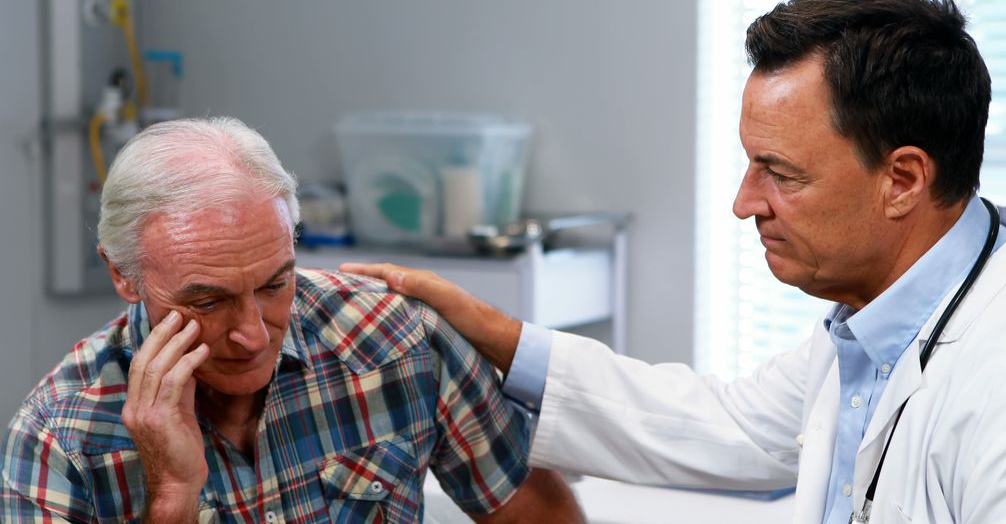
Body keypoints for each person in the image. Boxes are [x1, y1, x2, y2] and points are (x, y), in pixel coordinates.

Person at [342, 0, 1006, 523]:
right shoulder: (871, 326)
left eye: (780, 173)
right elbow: (725, 428)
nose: (743, 202)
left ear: (904, 179)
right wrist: (493, 330)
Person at [0, 118, 582, 523]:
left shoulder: (399, 340)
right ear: (124, 275)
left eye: (276, 283)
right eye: (207, 301)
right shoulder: (58, 438)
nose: (252, 334)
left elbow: (537, 515)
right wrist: (174, 497)